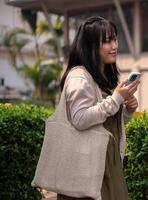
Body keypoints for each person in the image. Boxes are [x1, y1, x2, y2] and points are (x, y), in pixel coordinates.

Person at [57, 16, 140, 200]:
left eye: (115, 39)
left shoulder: (104, 77)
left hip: (107, 162)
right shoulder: (79, 77)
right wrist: (116, 99)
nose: (115, 45)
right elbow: (80, 120)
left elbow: (108, 123)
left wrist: (127, 109)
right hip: (86, 167)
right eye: (107, 41)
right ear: (91, 45)